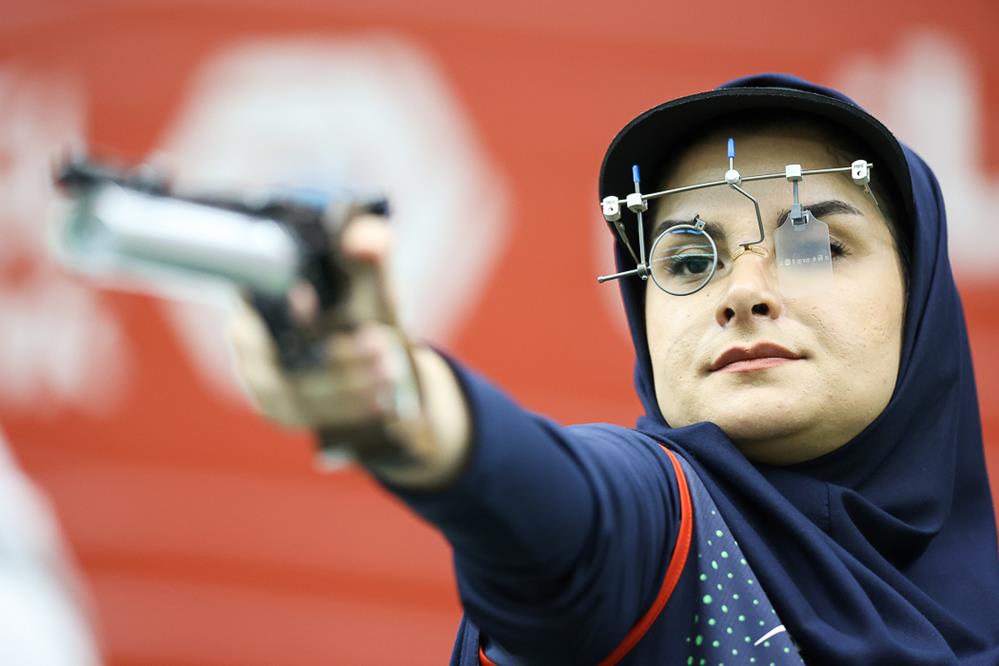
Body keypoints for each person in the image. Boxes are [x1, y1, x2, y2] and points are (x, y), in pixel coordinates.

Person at [226, 73, 999, 664]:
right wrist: (401, 397)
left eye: (813, 246)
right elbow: (562, 512)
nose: (743, 292)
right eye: (689, 261)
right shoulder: (660, 537)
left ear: (921, 297)